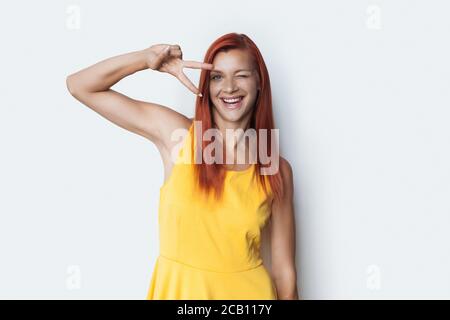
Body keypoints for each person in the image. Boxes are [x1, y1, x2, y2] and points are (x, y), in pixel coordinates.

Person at [66, 32, 298, 300]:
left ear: (259, 83)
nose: (230, 87)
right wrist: (145, 58)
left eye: (242, 75)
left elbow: (284, 274)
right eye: (217, 77)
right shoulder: (176, 134)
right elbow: (80, 85)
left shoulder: (276, 169)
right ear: (207, 86)